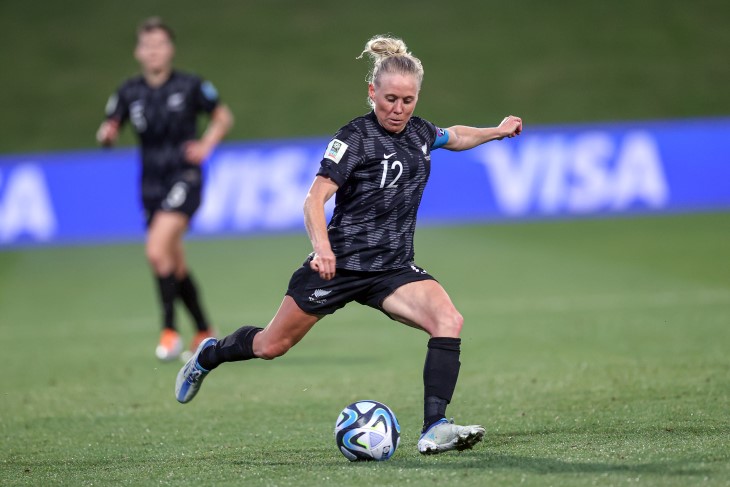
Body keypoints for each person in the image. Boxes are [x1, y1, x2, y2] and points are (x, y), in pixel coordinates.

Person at [175, 34, 521, 455]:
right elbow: (315, 197)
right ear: (371, 92)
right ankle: (209, 355)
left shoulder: (419, 133)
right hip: (339, 266)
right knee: (271, 345)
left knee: (448, 320)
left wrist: (497, 132)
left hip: (392, 269)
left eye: (408, 101)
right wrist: (323, 249)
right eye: (390, 98)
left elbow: (455, 136)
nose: (398, 109)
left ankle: (434, 427)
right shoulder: (353, 138)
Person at [96, 17, 234, 361]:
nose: (154, 51)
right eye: (147, 45)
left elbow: (223, 117)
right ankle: (204, 331)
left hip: (185, 177)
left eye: (160, 44)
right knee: (174, 262)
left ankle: (169, 331)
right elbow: (109, 126)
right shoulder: (129, 92)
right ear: (138, 52)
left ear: (170, 49)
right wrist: (106, 136)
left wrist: (206, 145)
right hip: (150, 185)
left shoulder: (190, 85)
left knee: (157, 250)